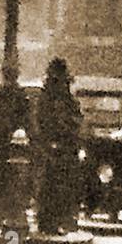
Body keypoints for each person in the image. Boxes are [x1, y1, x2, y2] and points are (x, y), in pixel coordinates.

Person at [34, 59, 82, 234]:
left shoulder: (67, 100)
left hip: (64, 147)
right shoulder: (48, 99)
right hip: (52, 147)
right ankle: (49, 221)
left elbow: (76, 120)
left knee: (63, 186)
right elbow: (42, 122)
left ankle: (59, 220)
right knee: (51, 185)